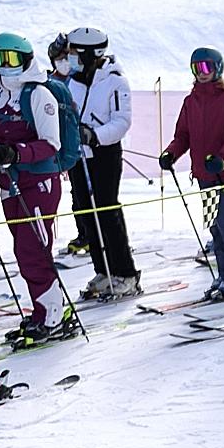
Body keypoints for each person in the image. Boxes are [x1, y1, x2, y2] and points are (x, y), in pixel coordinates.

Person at [0, 33, 77, 345]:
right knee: (24, 250)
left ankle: (52, 314)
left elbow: (51, 144)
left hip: (39, 182)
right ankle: (45, 310)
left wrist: (16, 153)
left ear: (27, 59)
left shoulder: (38, 94)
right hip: (9, 184)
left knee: (33, 249)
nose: (6, 66)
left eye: (12, 59)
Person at [161, 47, 224, 301]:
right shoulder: (191, 101)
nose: (201, 73)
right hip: (204, 174)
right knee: (215, 226)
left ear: (217, 68)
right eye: (196, 68)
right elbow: (183, 136)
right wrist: (171, 154)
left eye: (206, 67)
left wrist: (223, 159)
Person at [63, 27, 142, 299]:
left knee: (107, 211)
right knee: (86, 213)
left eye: (74, 52)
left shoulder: (115, 81)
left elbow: (122, 122)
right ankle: (103, 269)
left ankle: (126, 273)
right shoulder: (74, 81)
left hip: (105, 154)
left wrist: (94, 136)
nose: (70, 57)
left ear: (88, 53)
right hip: (79, 155)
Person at [48, 32, 88, 258]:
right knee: (76, 193)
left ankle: (94, 232)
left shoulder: (79, 78)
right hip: (66, 145)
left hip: (86, 142)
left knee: (89, 191)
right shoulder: (52, 82)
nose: (64, 62)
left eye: (67, 57)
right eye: (59, 58)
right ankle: (84, 232)